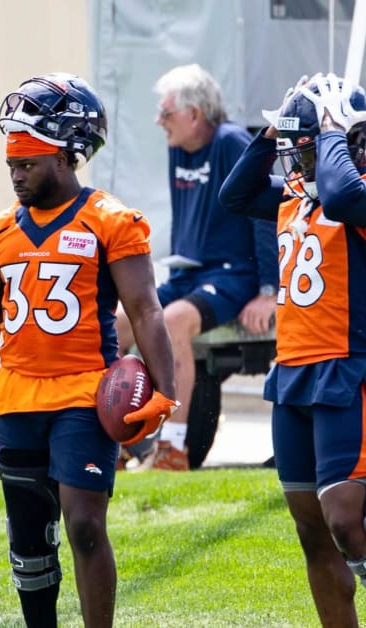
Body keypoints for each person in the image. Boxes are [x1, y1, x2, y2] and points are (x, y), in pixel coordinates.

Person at [0, 73, 178, 628]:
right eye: (12, 166)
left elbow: (146, 309)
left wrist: (166, 391)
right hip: (17, 399)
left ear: (67, 159)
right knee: (29, 539)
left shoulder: (110, 220)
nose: (17, 176)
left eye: (29, 165)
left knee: (85, 524)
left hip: (86, 395)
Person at [220, 72, 366, 627]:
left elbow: (342, 194)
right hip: (293, 372)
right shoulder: (295, 194)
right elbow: (234, 194)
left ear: (349, 137)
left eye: (305, 147)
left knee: (347, 521)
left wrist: (329, 134)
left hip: (348, 369)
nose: (297, 161)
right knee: (313, 530)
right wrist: (272, 133)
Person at [114, 63, 278, 471]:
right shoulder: (179, 148)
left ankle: (173, 449)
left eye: (166, 113)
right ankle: (113, 441)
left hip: (232, 274)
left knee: (172, 323)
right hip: (189, 272)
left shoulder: (232, 142)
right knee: (112, 322)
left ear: (194, 114)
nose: (159, 121)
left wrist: (268, 289)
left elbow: (265, 213)